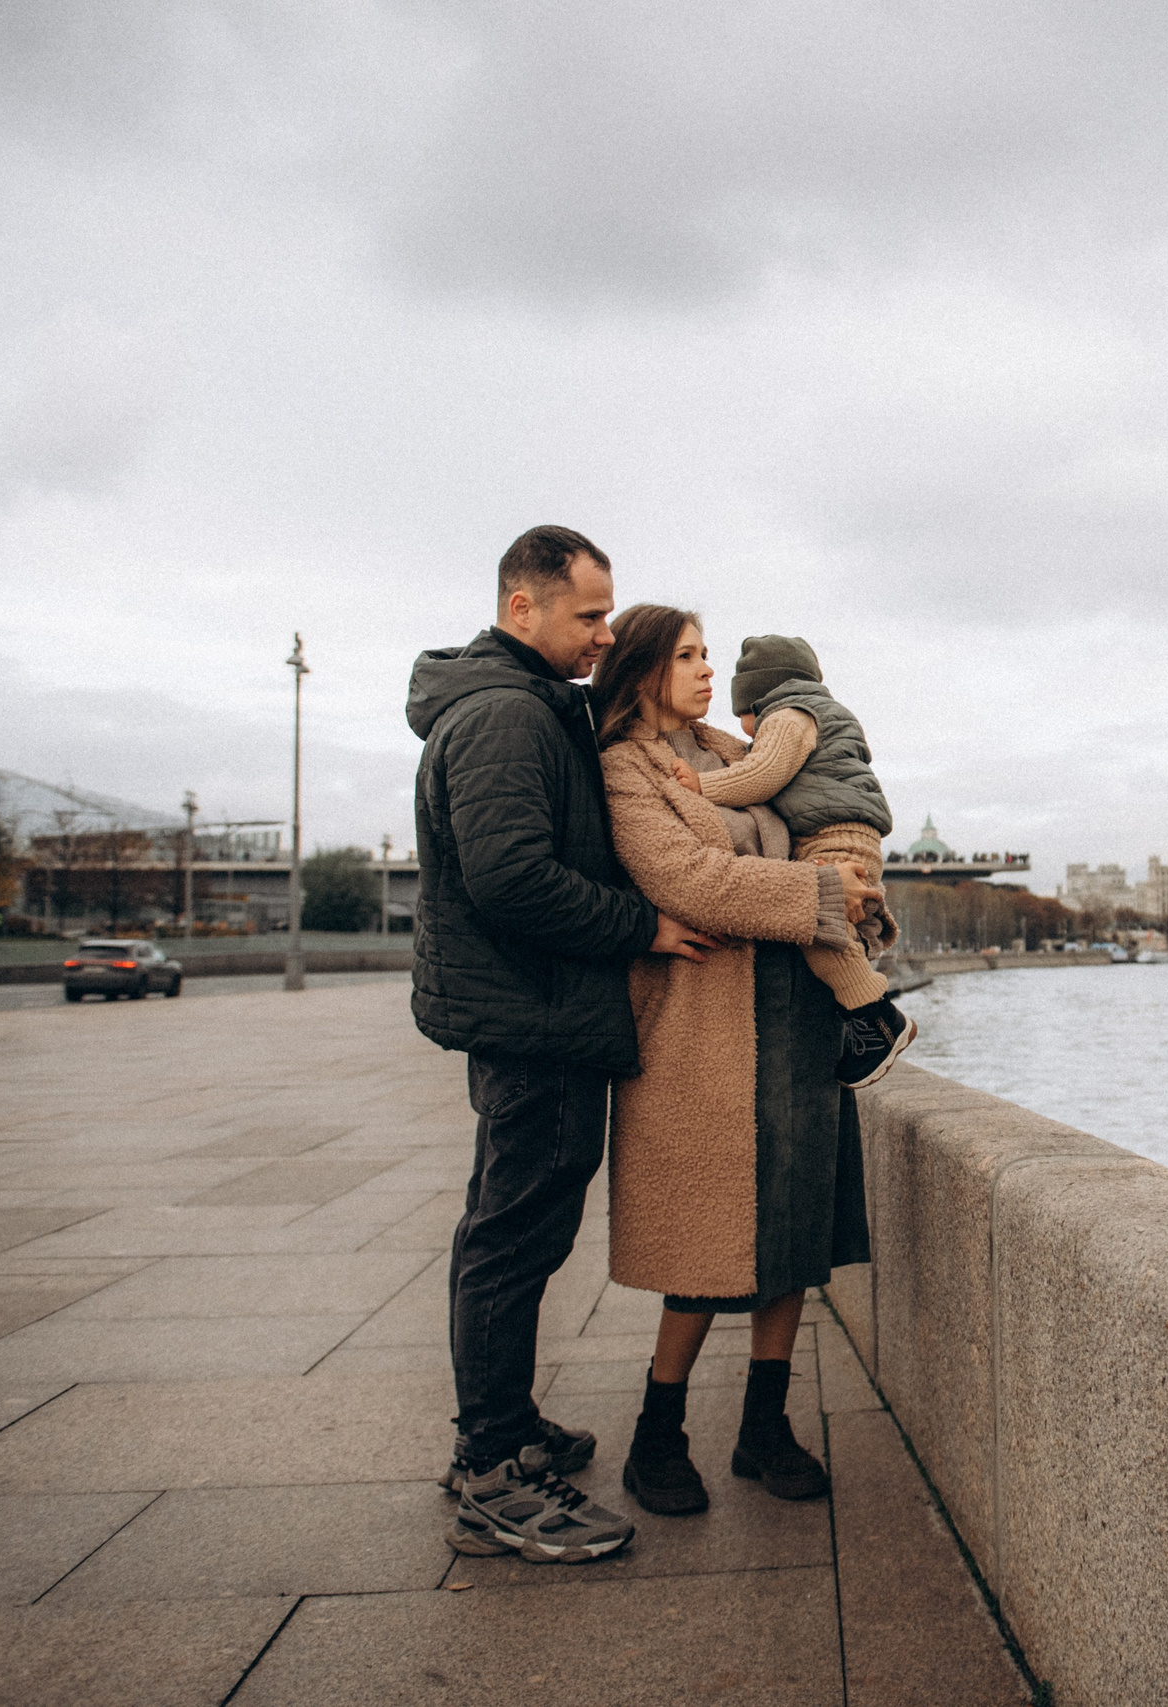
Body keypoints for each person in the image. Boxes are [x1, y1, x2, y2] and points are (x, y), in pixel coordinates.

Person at [406, 525, 719, 1565]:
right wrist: (642, 926)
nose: (605, 633)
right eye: (588, 616)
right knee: (511, 1236)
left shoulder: (533, 705)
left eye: (607, 613)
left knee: (522, 1231)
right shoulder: (503, 717)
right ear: (520, 609)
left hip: (538, 1011)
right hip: (531, 1016)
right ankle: (492, 1471)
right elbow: (512, 879)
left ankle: (502, 1429)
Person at [590, 605, 884, 1518]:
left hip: (794, 1019)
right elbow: (687, 881)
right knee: (703, 1245)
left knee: (791, 1237)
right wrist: (825, 892)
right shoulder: (625, 769)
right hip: (702, 1033)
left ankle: (765, 1427)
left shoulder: (732, 754)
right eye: (687, 656)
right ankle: (658, 1434)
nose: (708, 670)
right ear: (643, 671)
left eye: (709, 654)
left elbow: (815, 839)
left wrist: (858, 898)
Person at [665, 633, 916, 1087]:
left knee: (818, 927)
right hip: (843, 833)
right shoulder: (815, 711)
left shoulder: (789, 716)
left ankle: (876, 1020)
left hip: (834, 835)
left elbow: (763, 775)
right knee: (831, 925)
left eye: (740, 709)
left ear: (758, 696)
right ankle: (863, 1020)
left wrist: (703, 787)